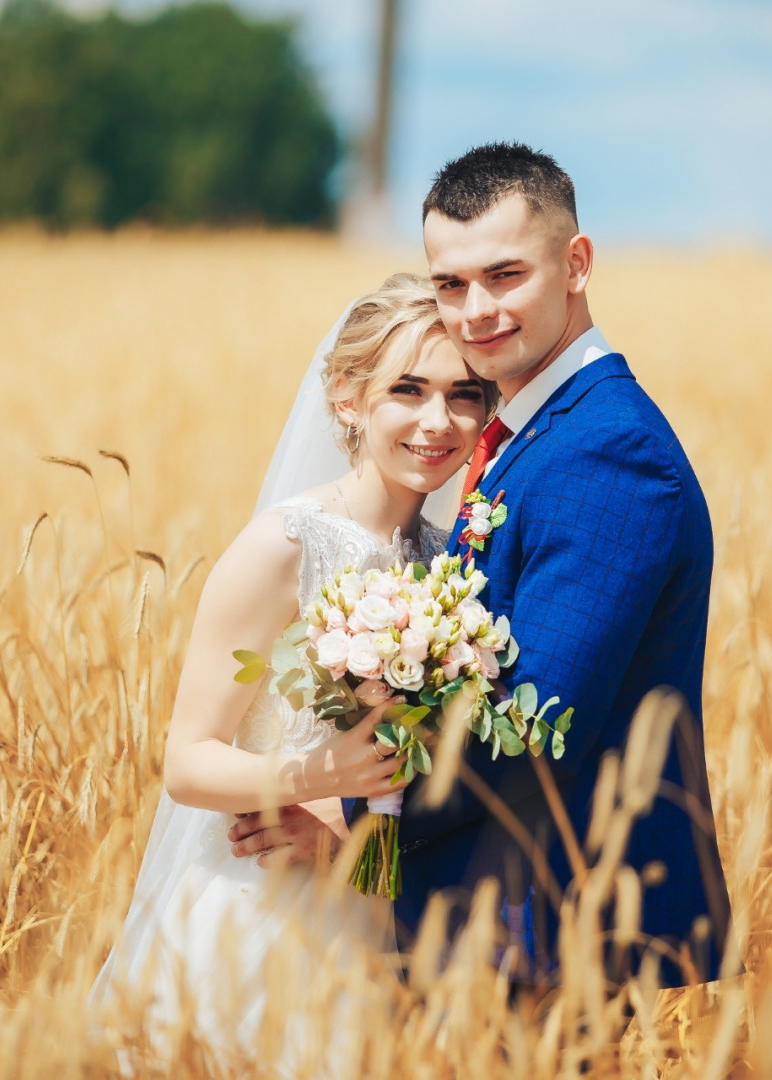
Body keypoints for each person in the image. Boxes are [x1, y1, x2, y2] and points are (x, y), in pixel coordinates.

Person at [239, 144, 734, 991]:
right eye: (450, 283)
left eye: (505, 275)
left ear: (575, 264)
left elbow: (535, 734)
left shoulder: (606, 451)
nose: (475, 311)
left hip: (549, 922)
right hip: (484, 918)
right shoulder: (531, 428)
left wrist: (361, 829)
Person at [89, 273, 496, 1066]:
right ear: (348, 397)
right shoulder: (284, 546)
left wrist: (357, 829)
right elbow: (187, 761)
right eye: (406, 389)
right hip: (258, 914)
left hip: (381, 919)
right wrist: (318, 776)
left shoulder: (450, 563)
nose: (437, 420)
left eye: (465, 394)